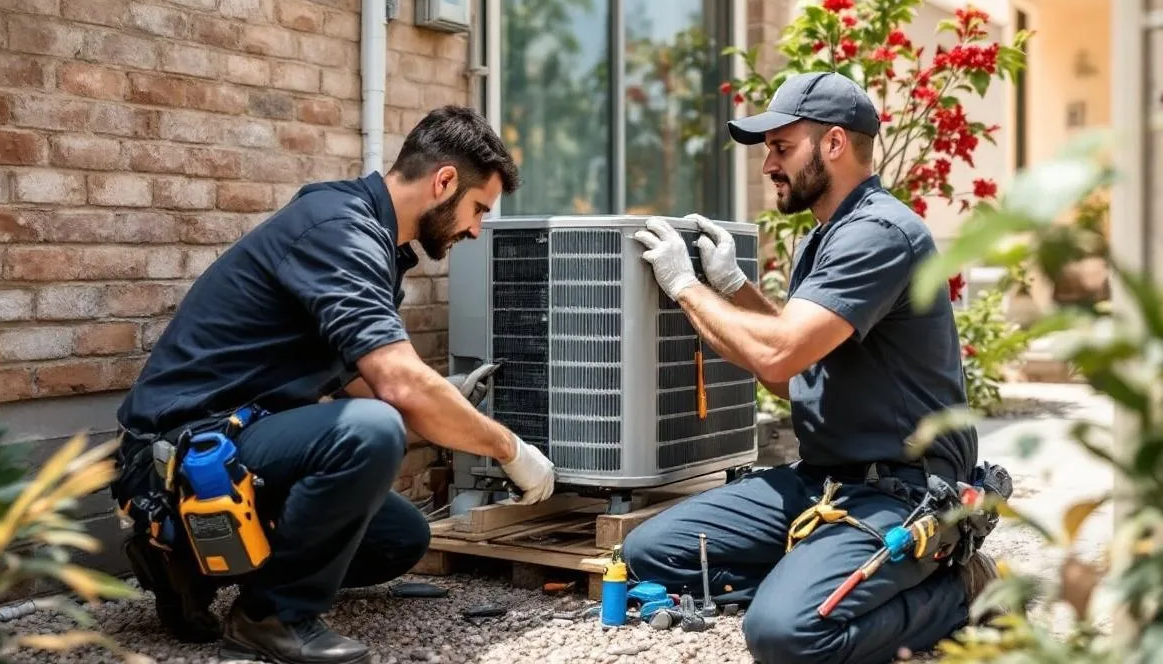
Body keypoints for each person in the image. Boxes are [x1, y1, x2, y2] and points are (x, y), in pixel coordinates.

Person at [111, 105, 556, 664]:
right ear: (444, 181)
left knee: (401, 537)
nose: (475, 229)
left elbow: (357, 381)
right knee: (372, 431)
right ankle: (272, 615)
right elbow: (393, 389)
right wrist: (507, 449)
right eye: (477, 209)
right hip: (180, 454)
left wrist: (444, 402)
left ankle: (192, 569)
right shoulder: (339, 230)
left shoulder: (374, 245)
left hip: (237, 442)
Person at [626, 71, 1001, 664]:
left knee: (785, 636)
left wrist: (685, 287)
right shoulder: (823, 238)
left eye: (781, 147)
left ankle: (959, 592)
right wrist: (734, 286)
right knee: (653, 551)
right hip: (825, 479)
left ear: (833, 144)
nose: (768, 165)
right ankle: (825, 577)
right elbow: (789, 374)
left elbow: (777, 352)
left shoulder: (877, 234)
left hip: (902, 485)